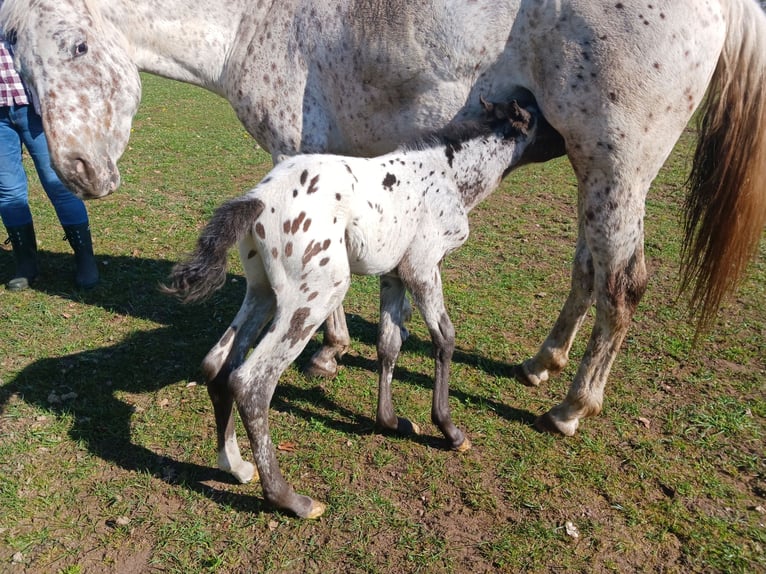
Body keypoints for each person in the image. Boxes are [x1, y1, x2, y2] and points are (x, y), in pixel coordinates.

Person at [0, 30, 98, 291]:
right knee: (9, 192)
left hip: (36, 111)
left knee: (59, 185)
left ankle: (85, 260)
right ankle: (26, 265)